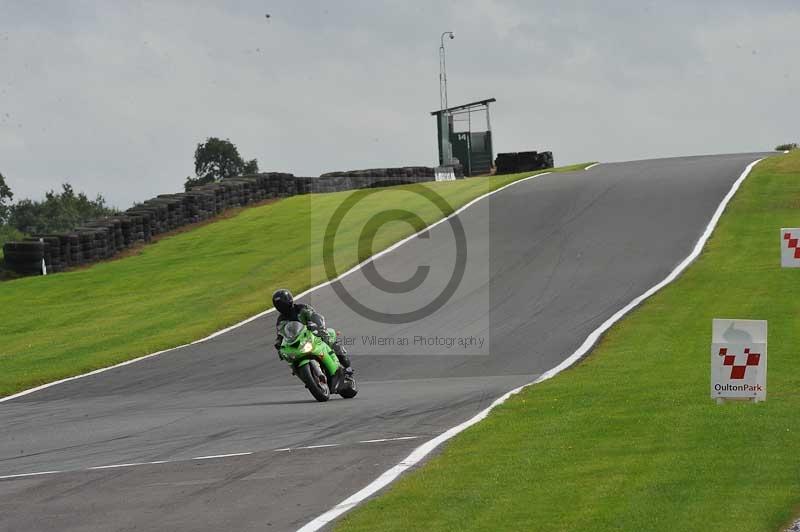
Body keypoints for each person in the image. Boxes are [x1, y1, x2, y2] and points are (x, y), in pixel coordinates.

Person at [272, 289, 353, 375]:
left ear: (289, 299)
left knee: (328, 339)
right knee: (290, 356)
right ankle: (300, 372)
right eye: (279, 305)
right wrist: (279, 343)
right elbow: (280, 334)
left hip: (312, 333)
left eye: (282, 303)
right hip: (299, 341)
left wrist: (318, 325)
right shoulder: (281, 321)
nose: (282, 306)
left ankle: (347, 366)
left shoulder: (301, 308)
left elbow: (314, 315)